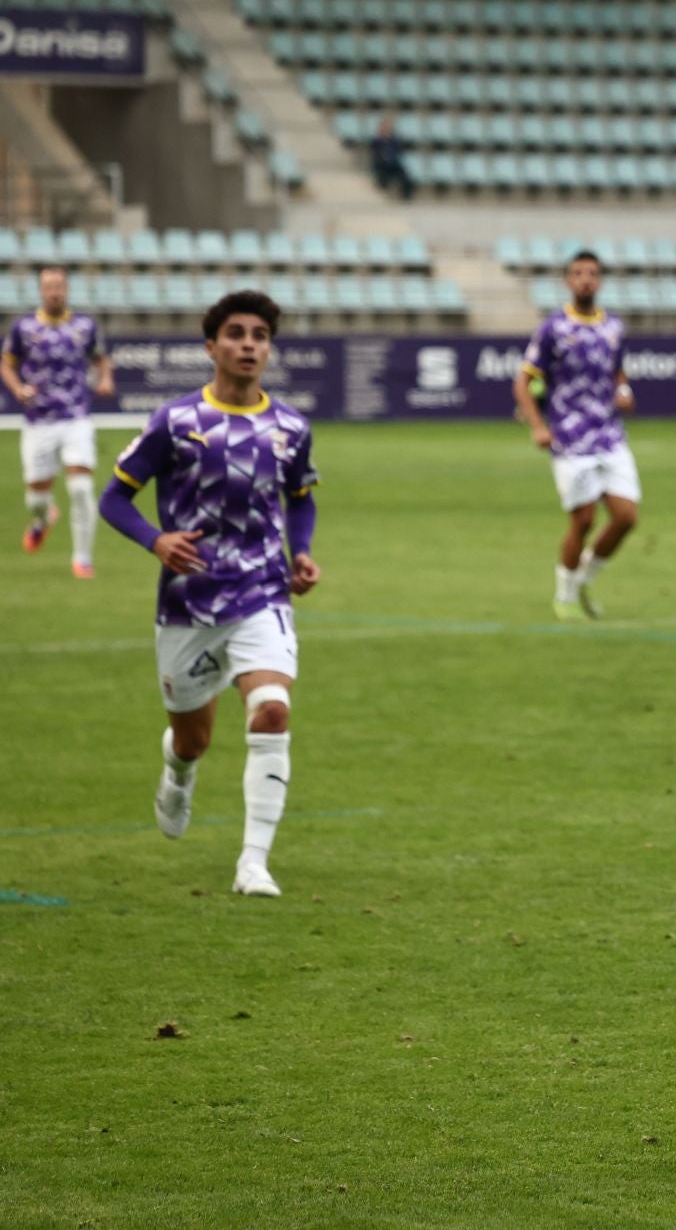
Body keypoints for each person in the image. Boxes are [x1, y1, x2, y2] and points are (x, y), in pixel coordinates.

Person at [98, 291, 321, 897]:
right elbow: (114, 498)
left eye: (260, 336)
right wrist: (155, 541)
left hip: (263, 592)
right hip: (187, 604)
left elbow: (301, 501)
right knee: (194, 737)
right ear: (211, 346)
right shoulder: (175, 422)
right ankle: (178, 769)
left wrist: (301, 554)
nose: (249, 344)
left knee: (272, 709)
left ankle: (253, 861)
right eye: (236, 334)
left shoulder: (291, 428)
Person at [511, 251, 637, 621]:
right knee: (583, 521)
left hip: (610, 433)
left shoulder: (613, 327)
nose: (585, 279)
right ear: (568, 281)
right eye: (578, 273)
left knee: (626, 517)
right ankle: (564, 596)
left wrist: (625, 393)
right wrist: (538, 426)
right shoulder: (553, 328)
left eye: (592, 273)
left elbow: (618, 374)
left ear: (599, 281)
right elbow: (524, 380)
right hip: (570, 436)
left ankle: (582, 577)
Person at [3, 265, 114, 576]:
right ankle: (43, 518)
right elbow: (7, 364)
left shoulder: (84, 326)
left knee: (80, 487)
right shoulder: (23, 328)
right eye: (49, 286)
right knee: (36, 496)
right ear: (40, 290)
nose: (54, 291)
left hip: (76, 418)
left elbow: (101, 357)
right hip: (39, 422)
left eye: (59, 286)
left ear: (66, 289)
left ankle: (82, 558)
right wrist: (17, 389)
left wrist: (105, 378)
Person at [369, 116, 415, 201]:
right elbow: (375, 153)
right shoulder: (376, 141)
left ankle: (406, 197)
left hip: (393, 164)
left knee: (406, 177)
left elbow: (398, 151)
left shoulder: (394, 140)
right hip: (382, 165)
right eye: (384, 127)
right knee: (382, 176)